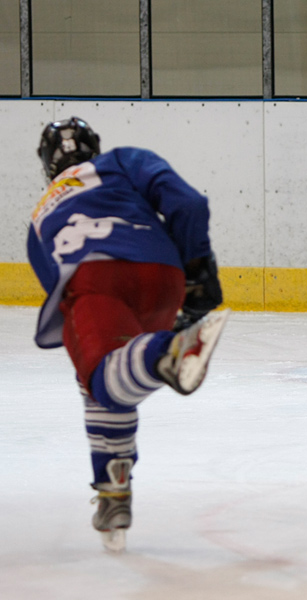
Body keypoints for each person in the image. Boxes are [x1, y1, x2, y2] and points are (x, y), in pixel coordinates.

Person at [26, 116, 229, 551]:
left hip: (94, 279)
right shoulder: (120, 162)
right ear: (93, 147)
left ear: (47, 164)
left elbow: (60, 292)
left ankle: (169, 352)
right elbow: (188, 203)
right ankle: (113, 489)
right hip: (163, 276)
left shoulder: (41, 213)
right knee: (115, 373)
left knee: (99, 375)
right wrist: (196, 265)